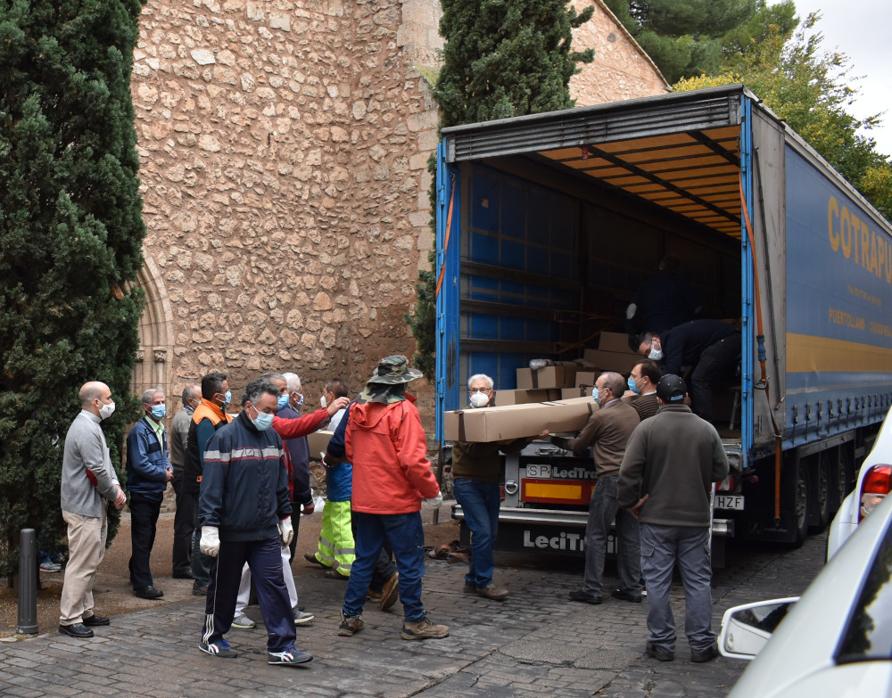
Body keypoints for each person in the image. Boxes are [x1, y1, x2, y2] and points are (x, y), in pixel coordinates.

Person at [330, 355, 449, 641]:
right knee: (409, 562)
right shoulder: (404, 411)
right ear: (402, 382)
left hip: (364, 498)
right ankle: (415, 621)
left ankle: (350, 617)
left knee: (364, 559)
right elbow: (412, 460)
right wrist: (431, 491)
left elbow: (349, 452)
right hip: (397, 501)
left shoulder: (358, 409)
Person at [197, 377, 312, 667]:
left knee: (275, 586)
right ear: (249, 407)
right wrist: (209, 527)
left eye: (274, 410)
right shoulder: (224, 438)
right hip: (231, 531)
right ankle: (212, 637)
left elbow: (279, 483)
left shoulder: (273, 438)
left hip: (264, 530)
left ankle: (282, 645)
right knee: (224, 587)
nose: (272, 416)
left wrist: (285, 518)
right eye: (268, 409)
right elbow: (211, 488)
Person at [618, 374, 729, 663]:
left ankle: (661, 643)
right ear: (687, 397)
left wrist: (631, 502)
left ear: (659, 399)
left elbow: (628, 472)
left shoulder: (647, 429)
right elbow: (721, 471)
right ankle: (702, 644)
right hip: (694, 519)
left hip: (656, 518)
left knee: (656, 582)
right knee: (697, 581)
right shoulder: (706, 430)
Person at [230, 372, 345, 629]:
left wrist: (284, 513)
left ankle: (287, 607)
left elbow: (287, 459)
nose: (281, 400)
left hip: (270, 505)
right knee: (245, 561)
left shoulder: (272, 426)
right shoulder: (231, 434)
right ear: (253, 404)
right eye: (277, 394)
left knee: (280, 555)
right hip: (246, 507)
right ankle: (234, 610)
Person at [554, 372, 642, 605]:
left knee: (596, 535)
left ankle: (592, 589)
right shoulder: (631, 412)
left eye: (597, 387)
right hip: (633, 480)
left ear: (607, 392)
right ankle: (632, 587)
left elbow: (578, 446)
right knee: (630, 535)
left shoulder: (601, 416)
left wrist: (551, 438)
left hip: (610, 480)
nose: (594, 391)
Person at [452, 373, 541, 601]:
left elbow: (510, 449)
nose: (479, 394)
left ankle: (472, 580)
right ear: (469, 393)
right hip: (467, 482)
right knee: (481, 531)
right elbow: (474, 450)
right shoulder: (463, 417)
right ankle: (483, 582)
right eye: (474, 390)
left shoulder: (498, 416)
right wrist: (497, 437)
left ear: (492, 393)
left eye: (483, 389)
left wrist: (529, 437)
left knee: (489, 534)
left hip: (489, 482)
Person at [58, 381, 127, 638]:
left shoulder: (91, 426)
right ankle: (69, 618)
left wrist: (115, 486)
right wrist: (114, 493)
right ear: (96, 402)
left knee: (90, 561)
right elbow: (96, 470)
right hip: (83, 507)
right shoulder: (85, 428)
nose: (112, 402)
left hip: (91, 505)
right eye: (108, 398)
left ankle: (85, 611)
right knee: (81, 563)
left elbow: (104, 462)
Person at [184, 371, 234, 595]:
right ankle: (202, 580)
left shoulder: (217, 412)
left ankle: (210, 575)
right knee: (204, 528)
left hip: (212, 481)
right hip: (203, 482)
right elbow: (209, 455)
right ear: (216, 396)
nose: (229, 393)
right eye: (226, 391)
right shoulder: (205, 417)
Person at [637, 318, 740, 423]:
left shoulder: (673, 339)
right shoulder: (665, 348)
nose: (649, 355)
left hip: (729, 338)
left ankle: (705, 422)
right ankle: (692, 418)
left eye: (648, 350)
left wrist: (651, 387)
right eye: (646, 354)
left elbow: (671, 372)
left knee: (699, 378)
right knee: (691, 380)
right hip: (714, 346)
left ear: (655, 340)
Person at [125, 387, 173, 599]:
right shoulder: (139, 431)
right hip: (142, 491)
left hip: (155, 490)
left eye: (163, 401)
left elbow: (165, 454)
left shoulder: (160, 428)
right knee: (143, 537)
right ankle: (143, 584)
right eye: (157, 402)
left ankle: (136, 570)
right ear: (146, 407)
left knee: (148, 535)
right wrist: (163, 474)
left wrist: (168, 468)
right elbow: (139, 463)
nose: (162, 406)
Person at [308, 379, 355, 579]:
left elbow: (334, 446)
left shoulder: (338, 418)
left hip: (342, 474)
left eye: (324, 392)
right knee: (330, 515)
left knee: (340, 519)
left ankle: (347, 565)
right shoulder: (344, 414)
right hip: (340, 474)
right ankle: (324, 555)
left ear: (330, 395)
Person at [170, 383, 200, 578]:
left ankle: (187, 560)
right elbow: (190, 449)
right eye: (200, 397)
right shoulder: (184, 419)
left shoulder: (191, 417)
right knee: (185, 521)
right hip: (184, 475)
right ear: (191, 401)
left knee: (190, 519)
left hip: (186, 474)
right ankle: (181, 565)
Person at [626, 256, 699, 335]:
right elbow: (697, 308)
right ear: (676, 268)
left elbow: (632, 307)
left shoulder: (647, 284)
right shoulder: (682, 284)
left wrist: (630, 330)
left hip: (652, 331)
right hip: (676, 332)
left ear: (660, 266)